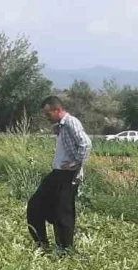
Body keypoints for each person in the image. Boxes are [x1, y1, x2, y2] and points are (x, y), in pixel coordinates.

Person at [27, 95, 92, 253]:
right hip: (58, 173)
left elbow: (86, 143)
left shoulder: (71, 122)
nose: (47, 117)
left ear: (57, 110)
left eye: (48, 114)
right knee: (35, 207)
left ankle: (65, 250)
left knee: (63, 214)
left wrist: (76, 163)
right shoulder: (62, 126)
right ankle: (43, 244)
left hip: (66, 176)